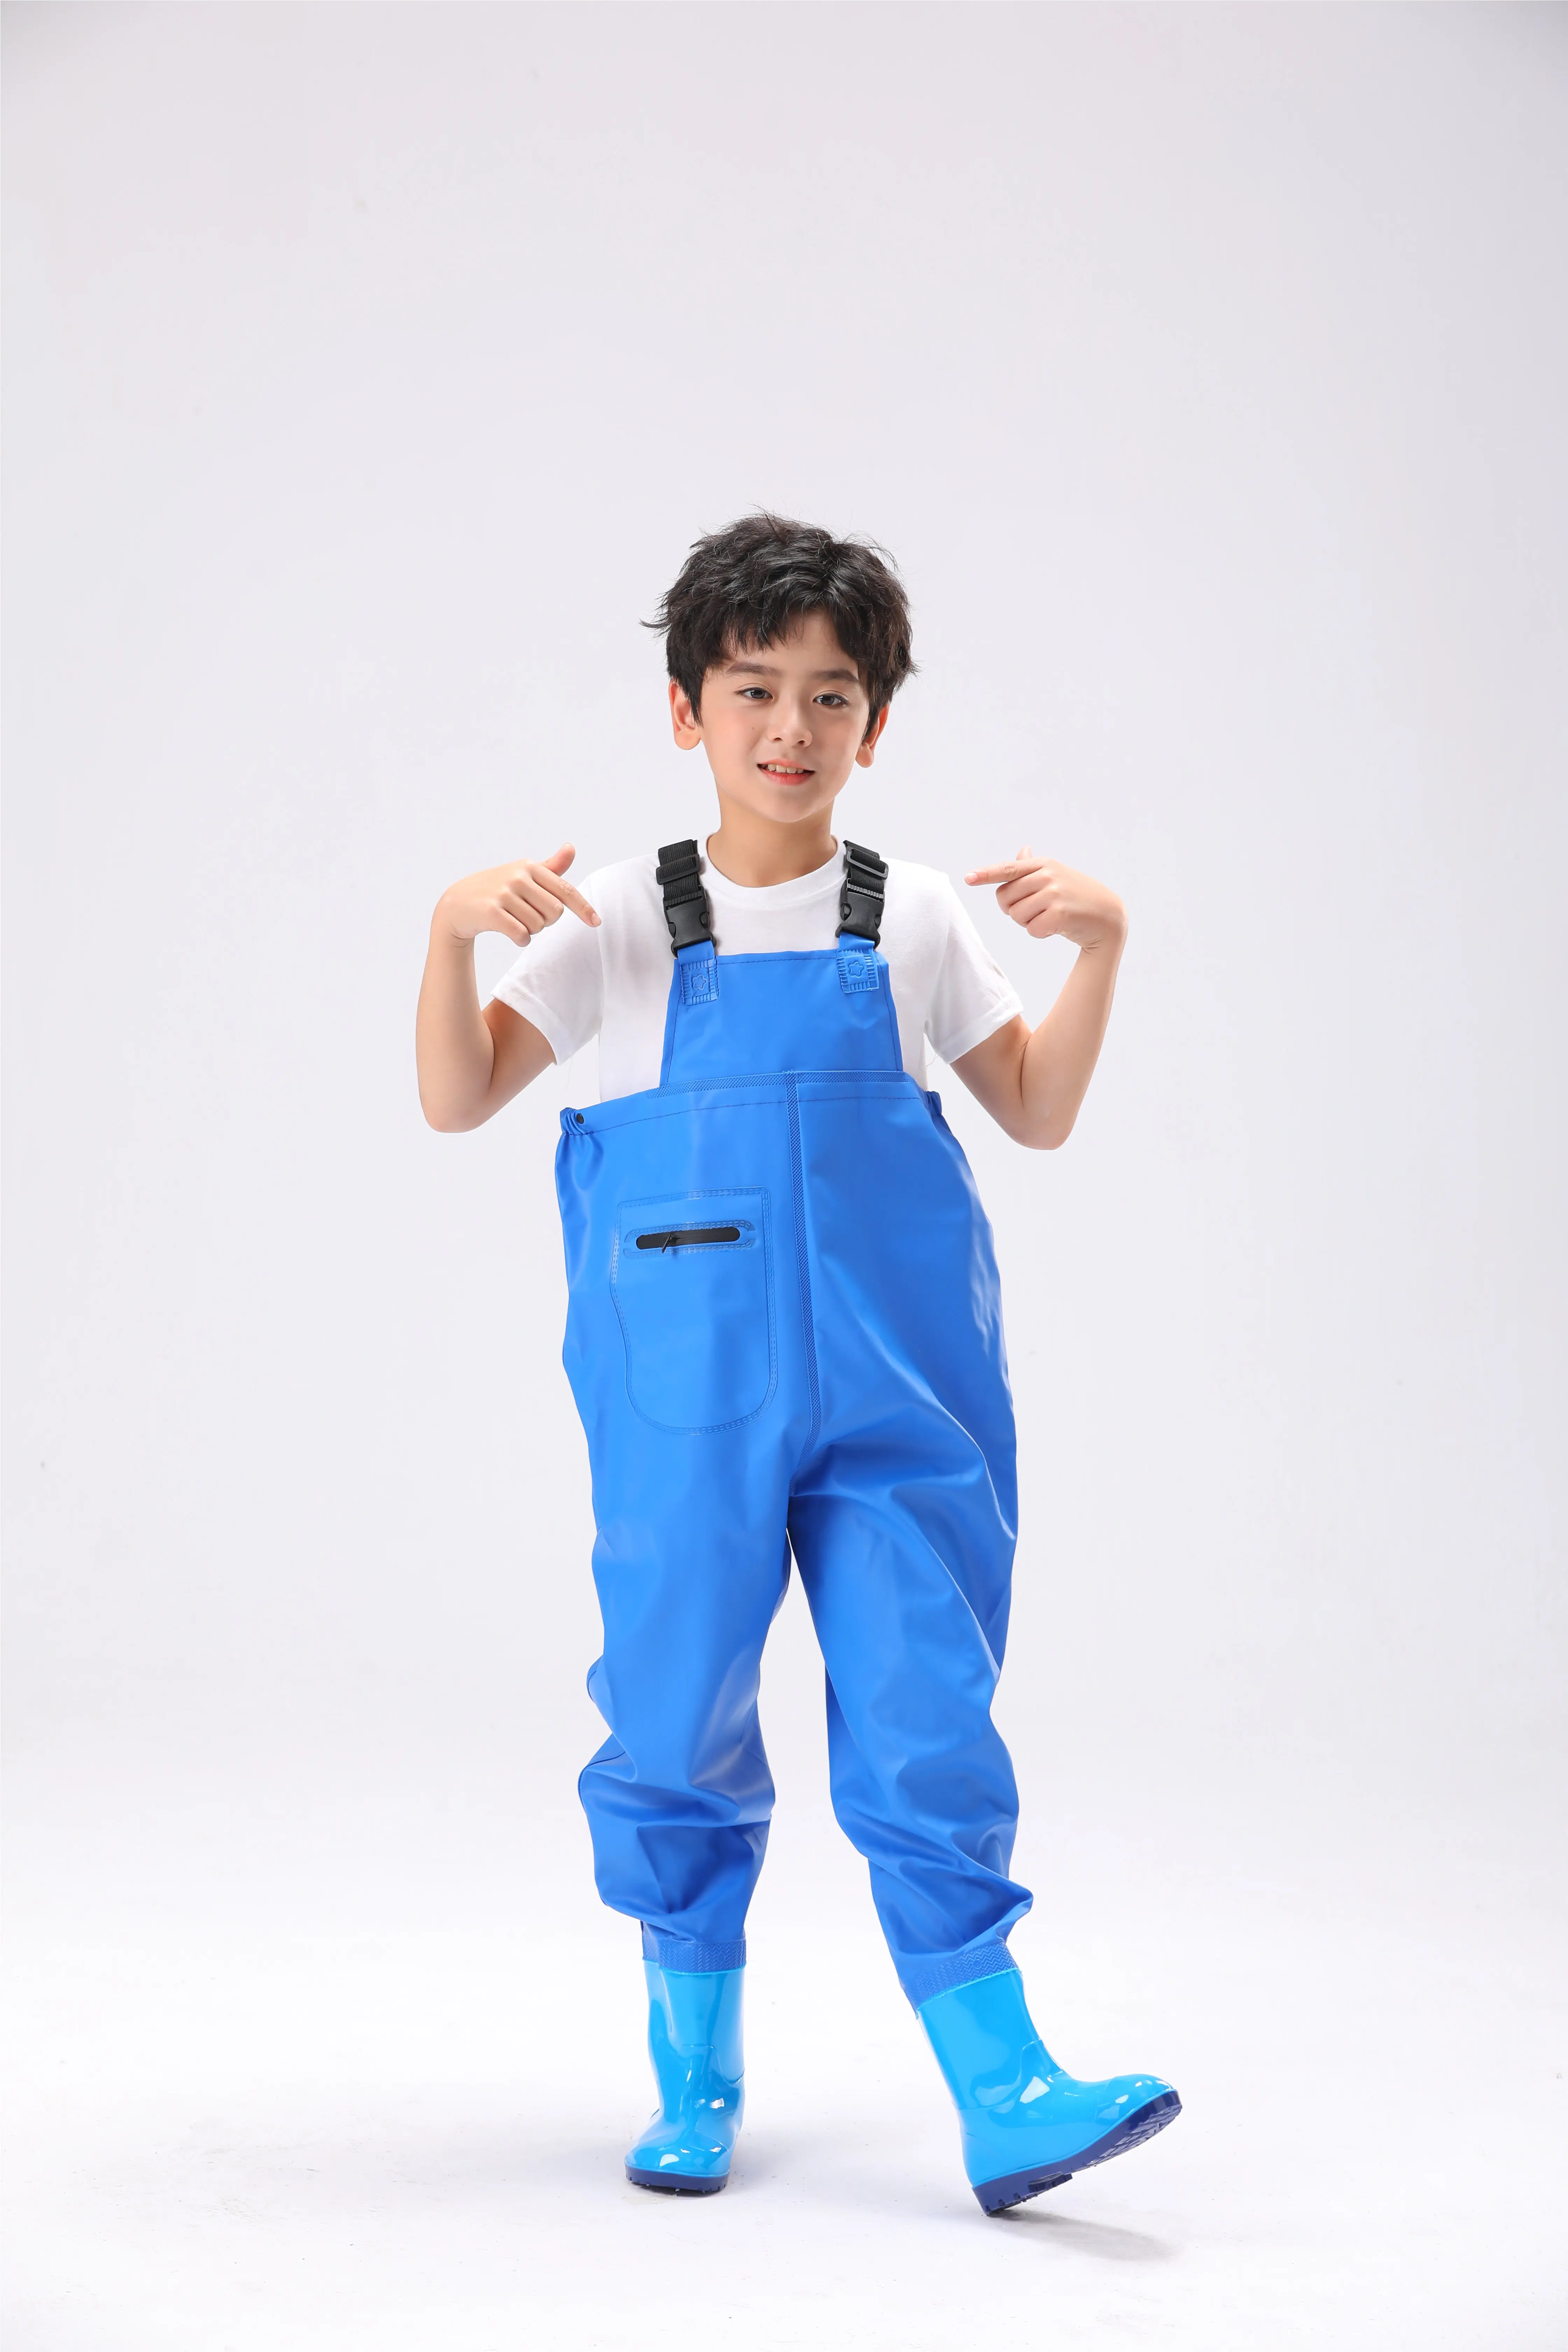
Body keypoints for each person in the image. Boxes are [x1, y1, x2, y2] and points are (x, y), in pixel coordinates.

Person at [414, 514, 1180, 2214]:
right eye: (753, 688)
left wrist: (1104, 949)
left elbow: (1034, 1111)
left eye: (831, 695)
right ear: (685, 708)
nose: (791, 727)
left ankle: (1007, 2090)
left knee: (924, 1710)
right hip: (684, 1408)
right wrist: (452, 933)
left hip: (903, 1396)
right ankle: (695, 2075)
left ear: (875, 724)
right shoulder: (618, 919)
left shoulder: (912, 917)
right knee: (672, 1710)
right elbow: (459, 1095)